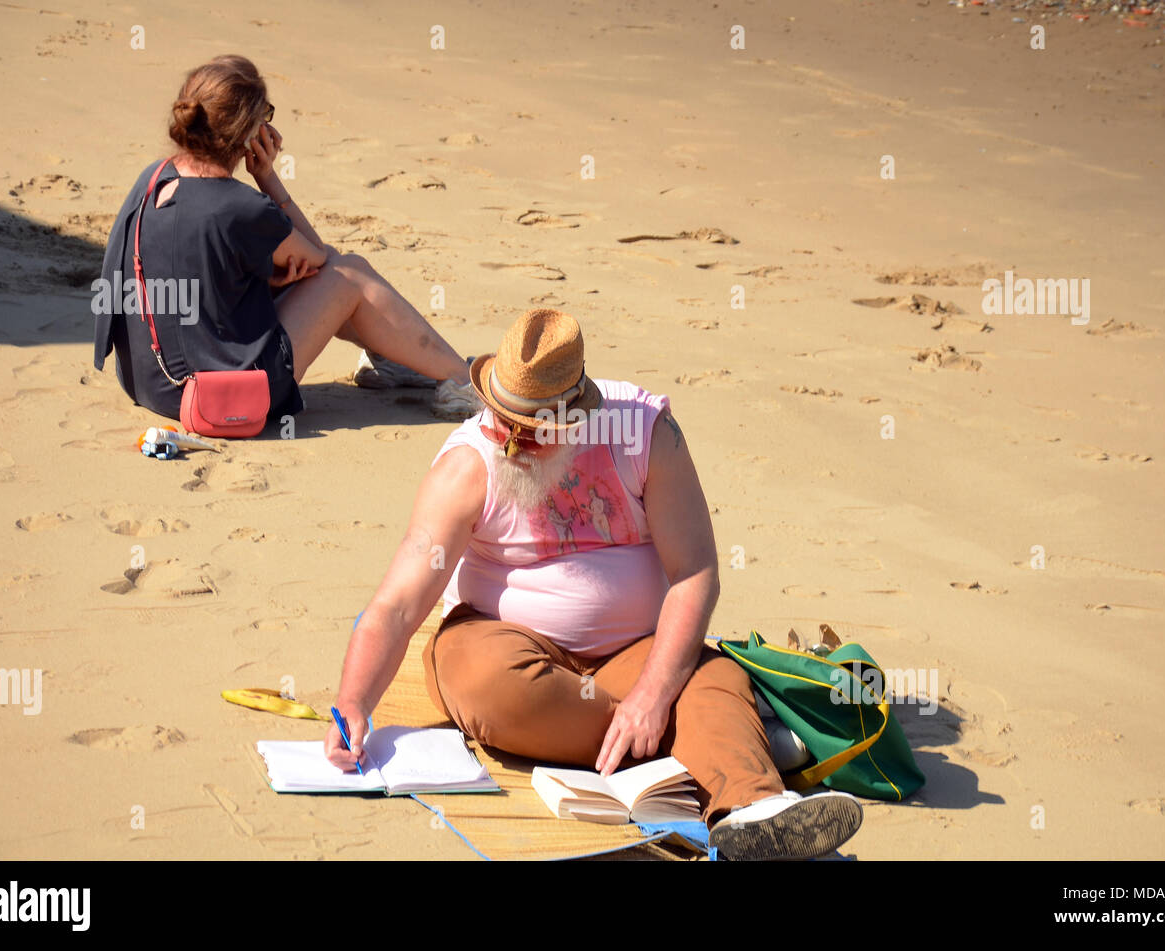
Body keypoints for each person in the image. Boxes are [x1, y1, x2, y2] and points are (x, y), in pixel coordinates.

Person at [324, 307, 864, 860]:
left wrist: (653, 693)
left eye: (531, 432)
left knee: (710, 676)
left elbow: (695, 571)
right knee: (484, 681)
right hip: (507, 647)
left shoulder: (645, 434)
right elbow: (396, 605)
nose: (510, 441)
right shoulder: (467, 465)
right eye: (503, 421)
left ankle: (751, 809)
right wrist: (354, 703)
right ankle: (704, 743)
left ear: (576, 418)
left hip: (634, 652)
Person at [92, 54, 479, 423]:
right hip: (217, 397)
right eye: (265, 116)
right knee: (349, 275)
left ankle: (395, 359)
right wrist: (267, 178)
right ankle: (462, 380)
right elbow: (318, 256)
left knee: (295, 275)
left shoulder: (153, 176)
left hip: (147, 382)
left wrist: (267, 276)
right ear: (248, 132)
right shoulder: (240, 207)